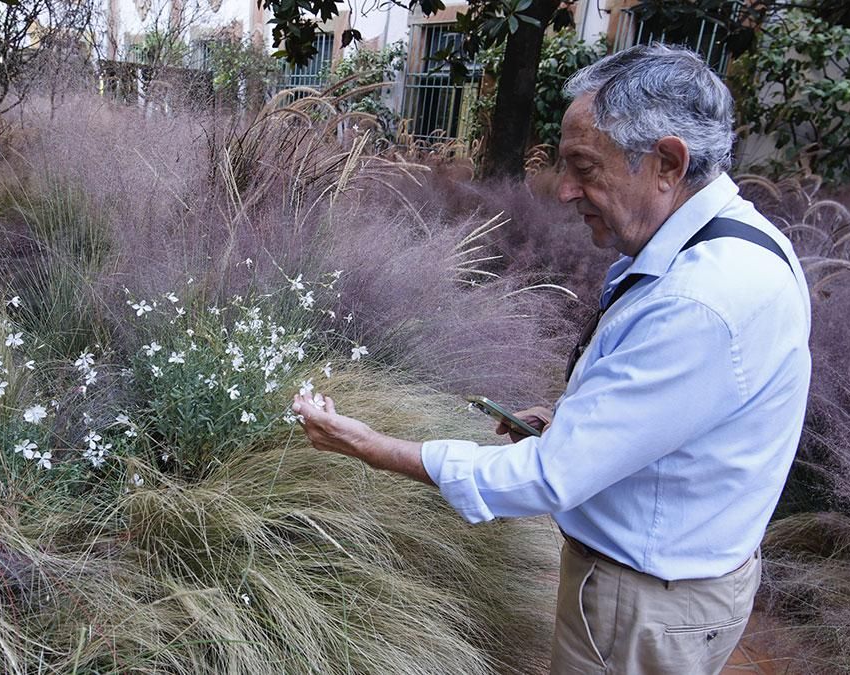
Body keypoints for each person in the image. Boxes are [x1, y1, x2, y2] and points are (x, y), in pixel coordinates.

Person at [291, 43, 811, 674]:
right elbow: (677, 413)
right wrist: (575, 416)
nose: (564, 190)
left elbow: (548, 479)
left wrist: (373, 447)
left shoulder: (704, 299)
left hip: (639, 608)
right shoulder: (739, 241)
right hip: (670, 588)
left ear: (668, 163)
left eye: (585, 167)